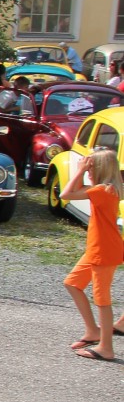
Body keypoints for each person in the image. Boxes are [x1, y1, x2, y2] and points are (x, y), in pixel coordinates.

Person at [60, 150, 124, 363]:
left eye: (91, 168)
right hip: (97, 248)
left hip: (104, 251)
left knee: (102, 300)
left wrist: (78, 171)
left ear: (100, 169)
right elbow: (75, 191)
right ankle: (92, 331)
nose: (88, 171)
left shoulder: (103, 190)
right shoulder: (106, 189)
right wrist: (83, 171)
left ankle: (106, 347)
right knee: (72, 283)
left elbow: (66, 194)